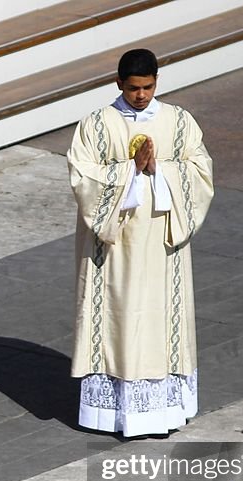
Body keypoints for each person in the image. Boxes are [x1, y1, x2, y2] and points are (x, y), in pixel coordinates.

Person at [67, 49, 214, 437]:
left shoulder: (179, 122)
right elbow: (82, 177)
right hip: (114, 248)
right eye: (133, 88)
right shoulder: (97, 125)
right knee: (119, 315)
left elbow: (200, 171)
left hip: (163, 242)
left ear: (156, 82)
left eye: (148, 87)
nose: (141, 96)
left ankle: (163, 410)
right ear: (118, 84)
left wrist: (159, 169)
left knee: (160, 315)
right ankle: (111, 412)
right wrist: (129, 171)